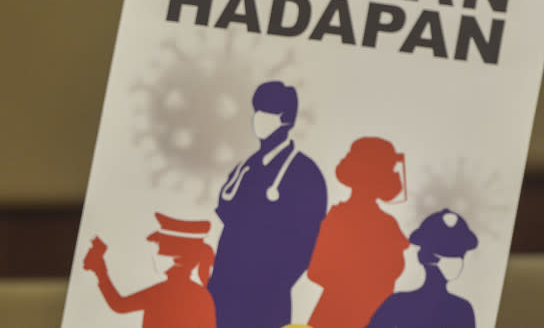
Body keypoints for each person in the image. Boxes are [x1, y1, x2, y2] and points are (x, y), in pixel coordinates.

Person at [206, 80, 327, 328]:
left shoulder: (304, 174)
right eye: (258, 110)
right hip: (223, 290)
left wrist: (272, 286)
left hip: (265, 301)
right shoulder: (246, 168)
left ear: (287, 119)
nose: (260, 118)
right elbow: (228, 214)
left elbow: (305, 245)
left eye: (269, 111)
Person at [307, 137, 409, 328]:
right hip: (342, 316)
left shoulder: (385, 224)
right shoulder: (383, 224)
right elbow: (316, 270)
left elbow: (316, 270)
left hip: (351, 315)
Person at [83, 212, 217, 328]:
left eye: (160, 248)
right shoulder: (203, 297)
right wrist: (100, 270)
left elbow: (119, 305)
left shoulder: (160, 293)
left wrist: (100, 271)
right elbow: (119, 305)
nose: (157, 254)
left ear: (177, 256)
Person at [366, 209, 478, 327]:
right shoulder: (397, 305)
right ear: (424, 257)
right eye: (443, 252)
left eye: (456, 253)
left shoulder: (461, 311)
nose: (452, 260)